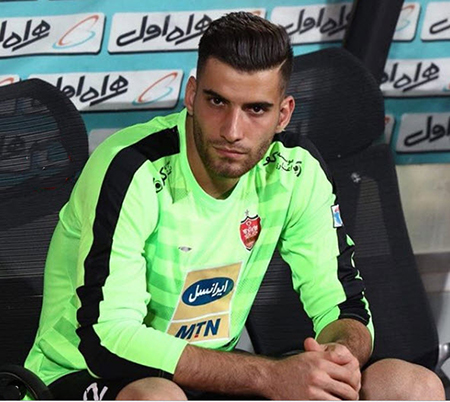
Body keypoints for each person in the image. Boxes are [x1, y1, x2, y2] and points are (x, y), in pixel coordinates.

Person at [25, 12, 444, 400]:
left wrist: (338, 357)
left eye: (256, 109)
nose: (232, 130)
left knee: (412, 386)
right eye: (217, 102)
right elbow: (109, 340)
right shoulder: (131, 167)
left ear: (283, 115)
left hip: (212, 377)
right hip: (84, 376)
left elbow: (343, 305)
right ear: (192, 95)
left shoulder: (296, 171)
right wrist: (269, 376)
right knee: (157, 397)